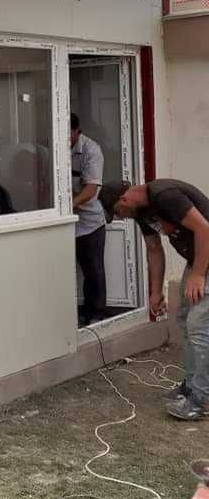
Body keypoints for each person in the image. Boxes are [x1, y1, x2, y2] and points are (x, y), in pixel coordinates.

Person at [98, 178, 209, 420]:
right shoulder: (141, 212)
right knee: (184, 319)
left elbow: (204, 229)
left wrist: (199, 274)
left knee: (199, 326)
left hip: (204, 260)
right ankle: (191, 387)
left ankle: (202, 400)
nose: (120, 218)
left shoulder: (165, 195)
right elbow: (154, 249)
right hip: (197, 260)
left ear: (124, 199)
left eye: (117, 212)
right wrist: (155, 292)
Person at [70, 113, 107, 325]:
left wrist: (68, 205)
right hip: (65, 222)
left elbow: (91, 190)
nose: (65, 140)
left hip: (90, 222)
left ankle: (97, 314)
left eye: (69, 135)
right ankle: (77, 313)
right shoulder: (53, 147)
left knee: (93, 271)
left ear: (77, 131)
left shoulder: (91, 150)